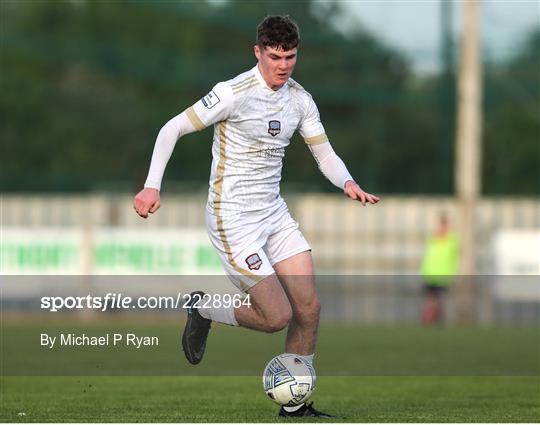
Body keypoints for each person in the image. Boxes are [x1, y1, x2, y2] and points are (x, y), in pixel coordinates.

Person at [133, 15, 379, 418]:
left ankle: (295, 406)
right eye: (275, 56)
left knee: (309, 310)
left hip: (274, 215)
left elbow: (324, 153)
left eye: (291, 57)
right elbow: (172, 128)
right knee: (275, 317)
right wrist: (151, 184)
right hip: (232, 219)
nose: (283, 65)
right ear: (258, 52)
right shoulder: (233, 93)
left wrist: (347, 182)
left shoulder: (300, 99)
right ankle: (203, 308)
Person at [420, 213, 459, 325]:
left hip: (444, 276)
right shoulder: (432, 238)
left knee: (442, 302)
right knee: (430, 301)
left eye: (444, 225)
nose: (441, 228)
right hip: (429, 275)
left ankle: (442, 323)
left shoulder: (452, 239)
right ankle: (429, 321)